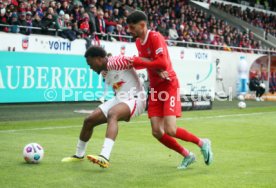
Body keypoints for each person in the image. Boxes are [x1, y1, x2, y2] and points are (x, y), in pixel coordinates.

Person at [126, 10, 213, 169]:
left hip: (168, 84)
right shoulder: (138, 42)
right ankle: (187, 155)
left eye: (132, 28)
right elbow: (149, 64)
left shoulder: (155, 37)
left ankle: (202, 142)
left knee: (170, 129)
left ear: (142, 25)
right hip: (155, 87)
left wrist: (142, 62)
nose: (129, 31)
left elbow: (162, 64)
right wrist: (146, 63)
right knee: (157, 131)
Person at [62, 46, 146, 168]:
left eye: (90, 63)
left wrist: (160, 70)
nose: (90, 67)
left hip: (136, 98)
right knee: (89, 120)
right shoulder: (103, 71)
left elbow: (140, 61)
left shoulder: (117, 61)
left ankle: (104, 157)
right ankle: (78, 155)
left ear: (99, 59)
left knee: (113, 114)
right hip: (120, 98)